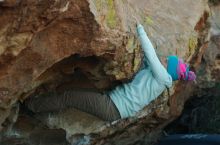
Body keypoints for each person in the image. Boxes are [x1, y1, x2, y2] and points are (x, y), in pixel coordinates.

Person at [25, 24, 196, 121]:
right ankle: (38, 105)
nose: (164, 59)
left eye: (167, 61)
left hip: (112, 107)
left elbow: (151, 55)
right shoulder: (161, 78)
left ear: (168, 69)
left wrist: (140, 30)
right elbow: (151, 62)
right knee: (81, 91)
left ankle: (30, 106)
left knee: (68, 97)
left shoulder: (162, 76)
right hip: (114, 105)